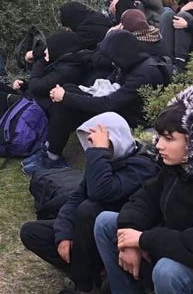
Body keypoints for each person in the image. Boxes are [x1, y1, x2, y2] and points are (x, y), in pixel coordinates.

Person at [94, 86, 193, 294]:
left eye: (169, 138)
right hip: (185, 249)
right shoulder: (178, 166)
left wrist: (143, 239)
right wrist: (129, 238)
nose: (158, 145)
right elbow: (144, 199)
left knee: (168, 271)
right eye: (159, 136)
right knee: (106, 222)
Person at [19, 112, 158, 294]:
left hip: (116, 237)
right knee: (32, 232)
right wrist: (63, 235)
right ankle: (93, 272)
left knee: (89, 209)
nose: (92, 147)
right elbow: (75, 198)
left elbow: (101, 191)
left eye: (100, 143)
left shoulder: (142, 165)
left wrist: (98, 153)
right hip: (87, 236)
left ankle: (83, 285)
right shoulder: (101, 161)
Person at [24, 30, 171, 175]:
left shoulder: (146, 73)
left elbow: (111, 103)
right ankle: (50, 147)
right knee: (68, 89)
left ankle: (52, 156)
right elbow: (110, 85)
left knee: (67, 102)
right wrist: (69, 93)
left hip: (132, 118)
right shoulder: (130, 63)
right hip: (122, 107)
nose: (112, 62)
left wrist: (66, 97)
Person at [0, 32, 91, 153]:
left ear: (59, 48)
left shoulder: (68, 70)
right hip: (34, 98)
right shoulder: (61, 63)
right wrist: (24, 84)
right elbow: (41, 86)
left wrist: (40, 63)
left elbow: (38, 87)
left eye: (48, 48)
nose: (45, 52)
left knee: (0, 98)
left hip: (40, 109)